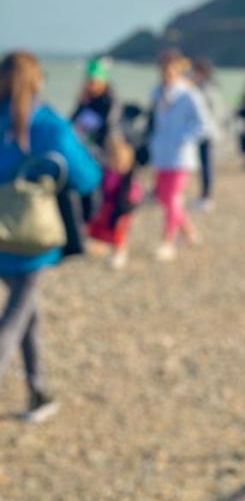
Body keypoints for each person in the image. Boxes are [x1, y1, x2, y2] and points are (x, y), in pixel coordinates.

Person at [0, 51, 101, 422]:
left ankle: (38, 392)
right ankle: (36, 390)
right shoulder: (48, 125)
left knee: (28, 312)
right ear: (37, 80)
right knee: (13, 319)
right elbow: (87, 177)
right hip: (28, 238)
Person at [147, 49, 211, 261]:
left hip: (181, 156)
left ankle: (168, 241)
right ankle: (190, 233)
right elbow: (154, 122)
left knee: (173, 198)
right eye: (163, 68)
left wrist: (182, 139)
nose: (166, 72)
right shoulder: (157, 92)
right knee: (165, 198)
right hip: (161, 153)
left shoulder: (189, 94)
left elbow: (204, 124)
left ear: (179, 68)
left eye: (171, 68)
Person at [86, 134, 143, 270]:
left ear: (129, 163)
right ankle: (101, 245)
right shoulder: (107, 174)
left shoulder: (129, 180)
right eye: (115, 162)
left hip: (122, 210)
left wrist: (130, 203)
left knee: (118, 233)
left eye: (123, 163)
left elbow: (136, 194)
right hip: (107, 208)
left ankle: (119, 252)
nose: (118, 166)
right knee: (98, 227)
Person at [189, 57, 223, 211]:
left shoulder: (207, 88)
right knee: (199, 164)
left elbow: (212, 112)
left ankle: (206, 197)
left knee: (206, 165)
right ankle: (203, 195)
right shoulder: (202, 87)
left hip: (207, 132)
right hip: (200, 132)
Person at [71, 56, 117, 156]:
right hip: (84, 147)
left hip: (101, 150)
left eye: (94, 82)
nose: (91, 86)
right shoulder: (86, 99)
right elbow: (71, 122)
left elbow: (111, 126)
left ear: (103, 82)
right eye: (89, 82)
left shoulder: (110, 101)